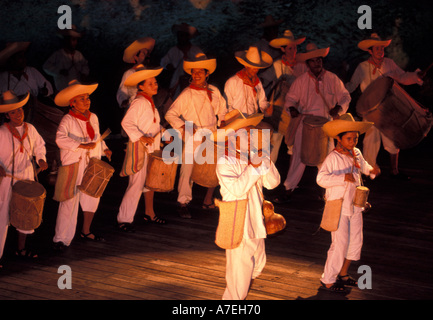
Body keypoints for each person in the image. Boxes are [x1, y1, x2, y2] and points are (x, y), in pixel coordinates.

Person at [213, 114, 280, 300]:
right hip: (237, 223)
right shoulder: (225, 162)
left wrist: (264, 158)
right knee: (239, 275)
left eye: (251, 133)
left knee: (257, 264)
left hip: (255, 222)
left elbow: (273, 183)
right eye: (247, 134)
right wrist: (255, 167)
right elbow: (236, 189)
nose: (251, 138)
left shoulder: (252, 156)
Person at [274, 43, 351, 203]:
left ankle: (327, 191)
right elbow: (290, 99)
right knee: (299, 158)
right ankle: (289, 188)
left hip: (327, 124)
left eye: (319, 60)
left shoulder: (332, 79)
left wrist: (338, 107)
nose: (317, 63)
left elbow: (345, 96)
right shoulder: (301, 81)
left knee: (327, 158)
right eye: (313, 61)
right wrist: (292, 109)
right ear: (308, 63)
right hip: (305, 124)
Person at [345, 33, 424, 180]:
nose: (380, 51)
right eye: (377, 49)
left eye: (382, 48)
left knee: (393, 139)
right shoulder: (362, 67)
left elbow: (403, 76)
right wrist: (339, 94)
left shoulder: (389, 63)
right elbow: (351, 85)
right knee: (371, 140)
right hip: (370, 111)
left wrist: (416, 76)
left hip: (388, 109)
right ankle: (370, 172)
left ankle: (394, 172)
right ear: (370, 51)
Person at [317, 113, 380, 293]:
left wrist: (372, 171)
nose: (353, 142)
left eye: (355, 138)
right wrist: (341, 177)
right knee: (339, 244)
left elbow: (365, 167)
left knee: (355, 241)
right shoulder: (333, 158)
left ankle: (343, 274)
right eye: (349, 138)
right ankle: (328, 279)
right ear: (339, 138)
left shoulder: (356, 153)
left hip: (356, 205)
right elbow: (320, 179)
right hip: (339, 207)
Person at [165, 53, 227, 218]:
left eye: (201, 71)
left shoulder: (214, 91)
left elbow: (222, 110)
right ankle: (183, 201)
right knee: (188, 169)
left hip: (212, 133)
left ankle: (207, 200)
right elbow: (170, 114)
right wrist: (184, 125)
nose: (197, 74)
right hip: (194, 135)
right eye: (194, 71)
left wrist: (222, 124)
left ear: (207, 73)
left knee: (214, 166)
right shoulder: (187, 93)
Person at [53, 80, 112, 251]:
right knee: (69, 200)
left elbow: (97, 136)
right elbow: (60, 139)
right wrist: (80, 145)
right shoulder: (67, 119)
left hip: (91, 162)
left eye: (88, 98)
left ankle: (86, 231)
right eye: (82, 99)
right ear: (72, 103)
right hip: (74, 164)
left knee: (92, 196)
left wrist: (105, 148)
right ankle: (61, 238)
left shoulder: (93, 117)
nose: (87, 101)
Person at [117, 65, 170, 231]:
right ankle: (124, 219)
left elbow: (154, 126)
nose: (155, 85)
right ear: (140, 86)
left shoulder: (149, 103)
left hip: (150, 148)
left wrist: (167, 137)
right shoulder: (139, 102)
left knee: (148, 182)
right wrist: (141, 137)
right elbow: (126, 123)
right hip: (140, 148)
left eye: (155, 82)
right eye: (151, 83)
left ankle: (149, 213)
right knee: (136, 184)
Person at [0, 91, 48, 266]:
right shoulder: (2, 132)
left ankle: (20, 249)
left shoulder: (30, 129)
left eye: (20, 110)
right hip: (7, 179)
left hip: (26, 177)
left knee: (26, 214)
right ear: (7, 114)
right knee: (2, 216)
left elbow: (40, 146)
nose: (18, 114)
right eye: (13, 112)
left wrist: (41, 159)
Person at [260, 29, 308, 163]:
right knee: (274, 141)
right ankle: (268, 174)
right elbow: (263, 82)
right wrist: (266, 103)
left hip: (297, 110)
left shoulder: (302, 66)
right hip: (279, 110)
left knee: (296, 144)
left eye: (295, 48)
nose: (293, 51)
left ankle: (292, 179)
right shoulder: (277, 65)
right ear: (283, 49)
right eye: (290, 48)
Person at [0, 42, 54, 119]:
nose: (24, 60)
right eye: (20, 57)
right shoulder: (3, 77)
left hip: (35, 111)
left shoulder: (31, 71)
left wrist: (45, 91)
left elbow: (49, 87)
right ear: (12, 60)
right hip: (13, 115)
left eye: (23, 56)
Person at [224, 46, 272, 116]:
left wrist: (267, 109)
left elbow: (262, 101)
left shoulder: (257, 82)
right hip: (236, 121)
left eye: (257, 67)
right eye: (253, 66)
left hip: (253, 119)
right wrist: (238, 119)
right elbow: (227, 106)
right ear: (246, 65)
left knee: (269, 127)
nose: (255, 69)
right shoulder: (232, 82)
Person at [160, 23, 203, 99]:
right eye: (179, 36)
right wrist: (168, 67)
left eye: (183, 35)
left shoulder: (196, 51)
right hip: (176, 84)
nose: (181, 38)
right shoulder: (173, 51)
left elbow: (204, 63)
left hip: (194, 81)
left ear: (188, 37)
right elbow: (163, 62)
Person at [43, 25, 90, 92]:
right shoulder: (58, 54)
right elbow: (46, 67)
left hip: (77, 88)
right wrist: (59, 71)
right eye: (72, 40)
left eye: (75, 40)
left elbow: (85, 65)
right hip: (63, 89)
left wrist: (84, 73)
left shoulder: (79, 54)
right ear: (66, 41)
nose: (74, 42)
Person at [116, 37, 156, 110]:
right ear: (136, 57)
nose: (147, 56)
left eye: (147, 54)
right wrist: (124, 101)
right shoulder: (129, 73)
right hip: (134, 108)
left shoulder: (149, 73)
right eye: (143, 53)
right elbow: (122, 91)